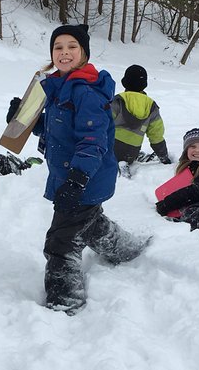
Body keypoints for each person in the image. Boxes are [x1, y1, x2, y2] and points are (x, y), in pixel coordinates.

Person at [10, 23, 149, 313]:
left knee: (61, 242)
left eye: (72, 46)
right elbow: (59, 132)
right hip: (72, 176)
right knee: (89, 223)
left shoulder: (86, 92)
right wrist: (27, 121)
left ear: (84, 52)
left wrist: (76, 181)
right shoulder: (57, 88)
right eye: (58, 47)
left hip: (85, 178)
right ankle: (126, 248)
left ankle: (65, 302)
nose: (64, 52)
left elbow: (92, 141)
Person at [110, 65, 171, 177]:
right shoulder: (151, 105)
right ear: (144, 85)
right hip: (132, 152)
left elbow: (103, 122)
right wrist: (163, 156)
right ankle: (127, 161)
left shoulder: (118, 100)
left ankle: (119, 165)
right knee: (129, 154)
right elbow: (156, 134)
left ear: (124, 82)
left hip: (111, 149)